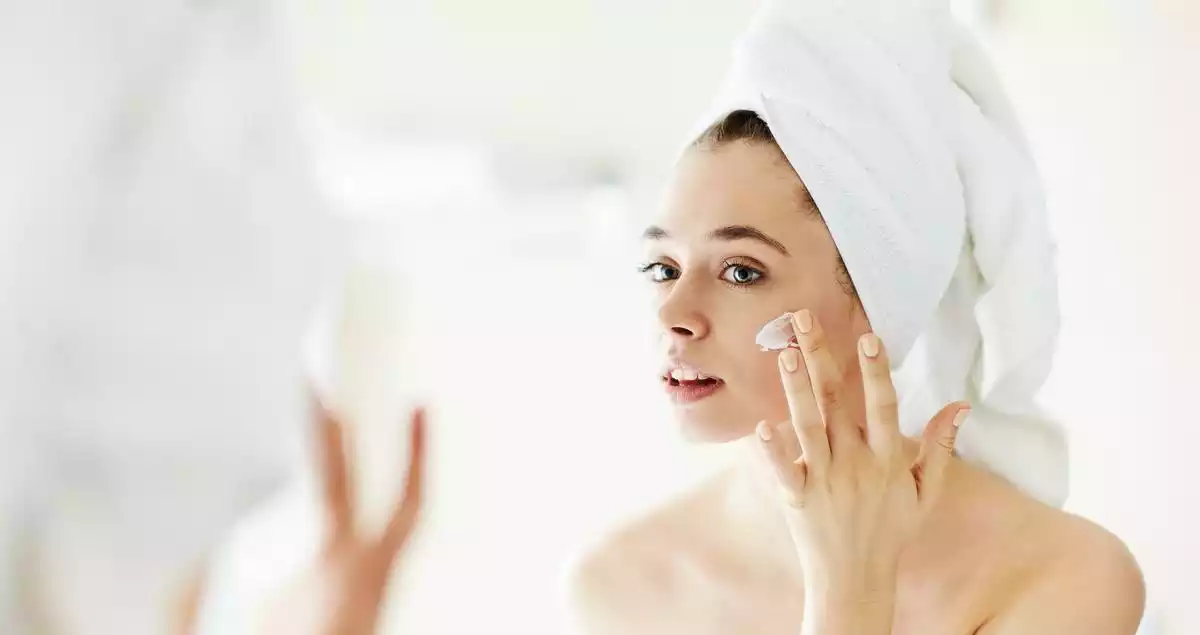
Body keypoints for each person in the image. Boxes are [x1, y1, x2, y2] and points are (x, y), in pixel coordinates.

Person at [199, 0, 1149, 633]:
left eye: (741, 270)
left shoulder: (1061, 579)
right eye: (661, 265)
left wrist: (848, 591)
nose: (675, 314)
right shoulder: (622, 586)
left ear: (876, 299)